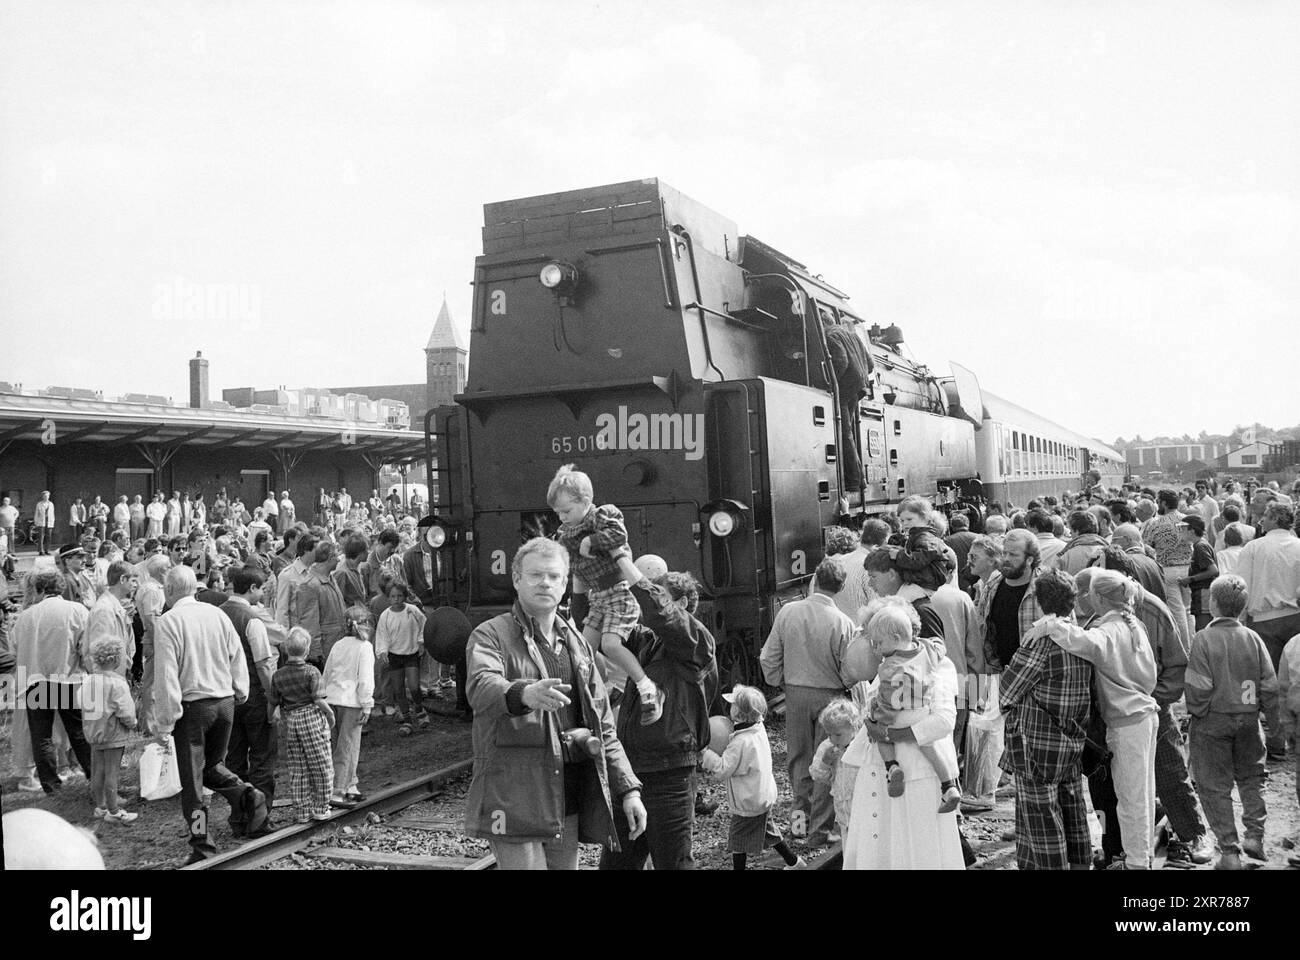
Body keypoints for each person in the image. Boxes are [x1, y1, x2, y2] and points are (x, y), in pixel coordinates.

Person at [463, 537, 645, 870]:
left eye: (554, 576)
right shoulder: (490, 635)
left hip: (566, 792)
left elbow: (604, 726)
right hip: (515, 791)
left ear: (564, 585)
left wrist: (629, 789)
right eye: (535, 575)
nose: (545, 582)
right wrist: (523, 693)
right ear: (517, 580)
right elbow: (480, 686)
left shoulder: (578, 645)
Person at [1028, 569, 1158, 869]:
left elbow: (1084, 642)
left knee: (1130, 797)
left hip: (1127, 721)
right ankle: (1140, 856)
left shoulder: (1109, 630)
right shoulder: (1133, 624)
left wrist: (1050, 624)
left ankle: (1137, 861)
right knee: (1142, 792)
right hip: (1144, 714)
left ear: (1099, 597)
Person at [599, 564, 717, 871]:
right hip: (631, 773)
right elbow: (603, 633)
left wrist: (624, 562)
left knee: (673, 863)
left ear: (679, 604)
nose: (649, 602)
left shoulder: (696, 642)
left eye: (659, 594)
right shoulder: (648, 642)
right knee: (617, 864)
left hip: (670, 776)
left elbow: (659, 613)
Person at [151, 564, 268, 863]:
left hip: (194, 707)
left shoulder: (168, 621)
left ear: (168, 591)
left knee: (193, 784)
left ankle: (202, 843)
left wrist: (165, 719)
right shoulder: (217, 614)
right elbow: (236, 655)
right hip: (225, 701)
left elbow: (166, 674)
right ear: (194, 587)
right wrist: (239, 689)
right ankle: (248, 795)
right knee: (213, 767)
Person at [840, 598, 965, 870]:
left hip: (917, 774)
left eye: (876, 639)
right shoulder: (885, 665)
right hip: (880, 771)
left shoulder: (938, 665)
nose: (873, 647)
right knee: (879, 849)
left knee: (915, 852)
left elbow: (943, 721)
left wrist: (894, 734)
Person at [549, 464, 662, 724]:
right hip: (598, 598)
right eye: (558, 513)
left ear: (585, 501)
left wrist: (593, 541)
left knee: (611, 644)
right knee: (583, 651)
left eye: (567, 511)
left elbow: (619, 534)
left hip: (619, 593)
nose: (562, 517)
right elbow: (576, 572)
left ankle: (648, 688)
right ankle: (604, 689)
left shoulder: (600, 516)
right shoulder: (566, 534)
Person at [998, 569, 1093, 870]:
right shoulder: (1079, 638)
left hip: (1038, 743)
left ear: (1039, 602)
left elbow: (1008, 689)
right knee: (1073, 811)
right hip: (1073, 736)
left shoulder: (1041, 641)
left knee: (1040, 820)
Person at [1185, 575, 1279, 869]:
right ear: (1242, 606)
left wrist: (1198, 712)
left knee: (1214, 786)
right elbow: (1270, 685)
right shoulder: (1253, 638)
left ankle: (1229, 852)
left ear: (1212, 604)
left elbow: (1198, 686)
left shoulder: (1203, 638)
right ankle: (1255, 835)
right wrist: (1272, 724)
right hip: (1249, 720)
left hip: (1213, 720)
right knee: (1252, 779)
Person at [759, 556, 855, 844]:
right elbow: (849, 671)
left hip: (796, 693)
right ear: (840, 587)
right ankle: (820, 830)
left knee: (799, 762)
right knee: (826, 759)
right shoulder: (843, 622)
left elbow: (769, 656)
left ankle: (798, 825)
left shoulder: (788, 612)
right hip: (830, 695)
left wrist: (779, 680)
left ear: (815, 578)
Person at [701, 684, 807, 870]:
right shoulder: (758, 729)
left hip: (748, 802)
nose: (729, 708)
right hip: (762, 794)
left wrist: (706, 753)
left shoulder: (740, 742)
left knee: (737, 841)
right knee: (770, 832)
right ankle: (795, 862)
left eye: (733, 705)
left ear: (740, 713)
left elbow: (722, 769)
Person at [12, 570, 94, 793]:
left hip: (35, 680)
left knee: (41, 735)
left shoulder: (26, 616)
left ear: (39, 589)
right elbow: (84, 647)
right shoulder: (77, 611)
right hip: (67, 678)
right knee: (77, 731)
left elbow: (15, 647)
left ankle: (50, 783)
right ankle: (93, 774)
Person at [1235, 501, 1300, 760]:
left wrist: (1238, 621)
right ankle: (1287, 735)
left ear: (1273, 519)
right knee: (1291, 681)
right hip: (1295, 615)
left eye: (1265, 517)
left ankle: (1271, 739)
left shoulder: (1254, 547)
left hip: (1264, 619)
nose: (1261, 521)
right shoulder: (1298, 546)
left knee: (1260, 681)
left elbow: (1241, 586)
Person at [221, 566, 280, 837]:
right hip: (255, 695)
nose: (264, 592)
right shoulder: (252, 619)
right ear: (252, 588)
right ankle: (260, 818)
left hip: (225, 697)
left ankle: (239, 817)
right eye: (262, 588)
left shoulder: (218, 614)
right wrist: (273, 698)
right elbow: (264, 665)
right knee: (261, 757)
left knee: (233, 759)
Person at [271, 626, 336, 823]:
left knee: (297, 767)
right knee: (321, 764)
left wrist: (271, 718)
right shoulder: (312, 672)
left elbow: (273, 702)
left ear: (285, 650)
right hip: (311, 718)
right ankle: (320, 807)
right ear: (307, 650)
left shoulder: (278, 675)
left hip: (291, 720)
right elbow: (318, 699)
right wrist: (330, 714)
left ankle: (302, 811)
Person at [82, 637, 139, 823]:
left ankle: (100, 806)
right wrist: (133, 723)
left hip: (94, 732)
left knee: (98, 770)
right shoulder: (117, 683)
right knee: (112, 772)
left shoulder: (88, 681)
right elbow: (125, 710)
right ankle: (114, 811)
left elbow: (80, 703)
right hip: (113, 733)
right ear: (116, 659)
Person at [324, 608, 375, 806]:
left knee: (335, 744)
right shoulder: (364, 647)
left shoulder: (338, 645)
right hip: (352, 702)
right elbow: (365, 679)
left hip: (332, 700)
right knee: (349, 746)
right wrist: (367, 704)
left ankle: (350, 785)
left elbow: (327, 672)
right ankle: (339, 790)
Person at [820, 312, 872, 496]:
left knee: (845, 433)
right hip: (858, 388)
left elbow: (840, 361)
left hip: (844, 388)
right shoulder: (853, 336)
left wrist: (830, 382)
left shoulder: (829, 335)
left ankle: (854, 481)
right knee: (849, 433)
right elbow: (871, 364)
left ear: (821, 322)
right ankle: (859, 480)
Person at [374, 581, 428, 734]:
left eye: (399, 596)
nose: (396, 599)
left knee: (414, 686)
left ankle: (419, 709)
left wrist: (421, 642)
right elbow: (382, 635)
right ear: (388, 597)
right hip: (394, 655)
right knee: (398, 689)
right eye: (392, 596)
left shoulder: (413, 611)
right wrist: (382, 651)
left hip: (411, 653)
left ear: (405, 596)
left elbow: (424, 625)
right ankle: (406, 719)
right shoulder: (385, 616)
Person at [1146, 489, 1194, 648]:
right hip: (1188, 569)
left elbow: (1146, 545)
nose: (1157, 504)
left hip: (1168, 570)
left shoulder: (1156, 523)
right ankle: (1192, 645)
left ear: (1164, 503)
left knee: (1177, 612)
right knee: (1187, 611)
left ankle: (1184, 649)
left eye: (1158, 501)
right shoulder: (1188, 520)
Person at [808, 698, 861, 842]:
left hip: (861, 801)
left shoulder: (861, 746)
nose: (832, 739)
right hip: (841, 802)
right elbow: (817, 775)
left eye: (838, 735)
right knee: (847, 837)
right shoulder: (826, 747)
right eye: (829, 734)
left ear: (854, 728)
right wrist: (825, 762)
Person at [83, 560, 136, 678]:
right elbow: (99, 652)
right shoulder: (104, 610)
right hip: (107, 680)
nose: (136, 585)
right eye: (133, 580)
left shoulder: (114, 605)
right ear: (122, 579)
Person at [893, 496, 955, 591]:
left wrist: (898, 555)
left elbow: (918, 560)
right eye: (902, 520)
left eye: (909, 519)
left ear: (925, 518)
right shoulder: (917, 536)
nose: (905, 523)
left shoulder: (925, 538)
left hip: (927, 585)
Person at [1178, 516, 1219, 633]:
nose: (1181, 532)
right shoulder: (1199, 545)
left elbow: (1213, 570)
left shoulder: (1200, 546)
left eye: (1183, 529)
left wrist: (1190, 579)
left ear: (1191, 531)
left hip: (1204, 594)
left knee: (1203, 630)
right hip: (1201, 594)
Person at [1111, 523, 1166, 601]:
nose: (1111, 544)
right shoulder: (1154, 562)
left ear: (1127, 540)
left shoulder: (1124, 562)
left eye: (1114, 540)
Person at [1049, 510, 1108, 575]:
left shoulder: (1066, 555)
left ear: (1076, 530)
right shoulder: (1109, 551)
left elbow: (1053, 578)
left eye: (1070, 529)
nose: (1070, 533)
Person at [944, 512, 979, 595]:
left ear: (952, 527)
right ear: (968, 524)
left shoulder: (947, 541)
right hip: (977, 580)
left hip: (957, 582)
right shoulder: (979, 538)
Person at [34, 491, 56, 555]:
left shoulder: (51, 504)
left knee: (49, 536)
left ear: (49, 496)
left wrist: (53, 521)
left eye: (47, 496)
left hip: (49, 521)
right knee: (41, 537)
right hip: (41, 522)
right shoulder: (39, 504)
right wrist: (36, 521)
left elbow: (53, 513)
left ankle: (47, 549)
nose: (46, 497)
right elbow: (36, 513)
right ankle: (41, 550)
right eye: (45, 496)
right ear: (42, 497)